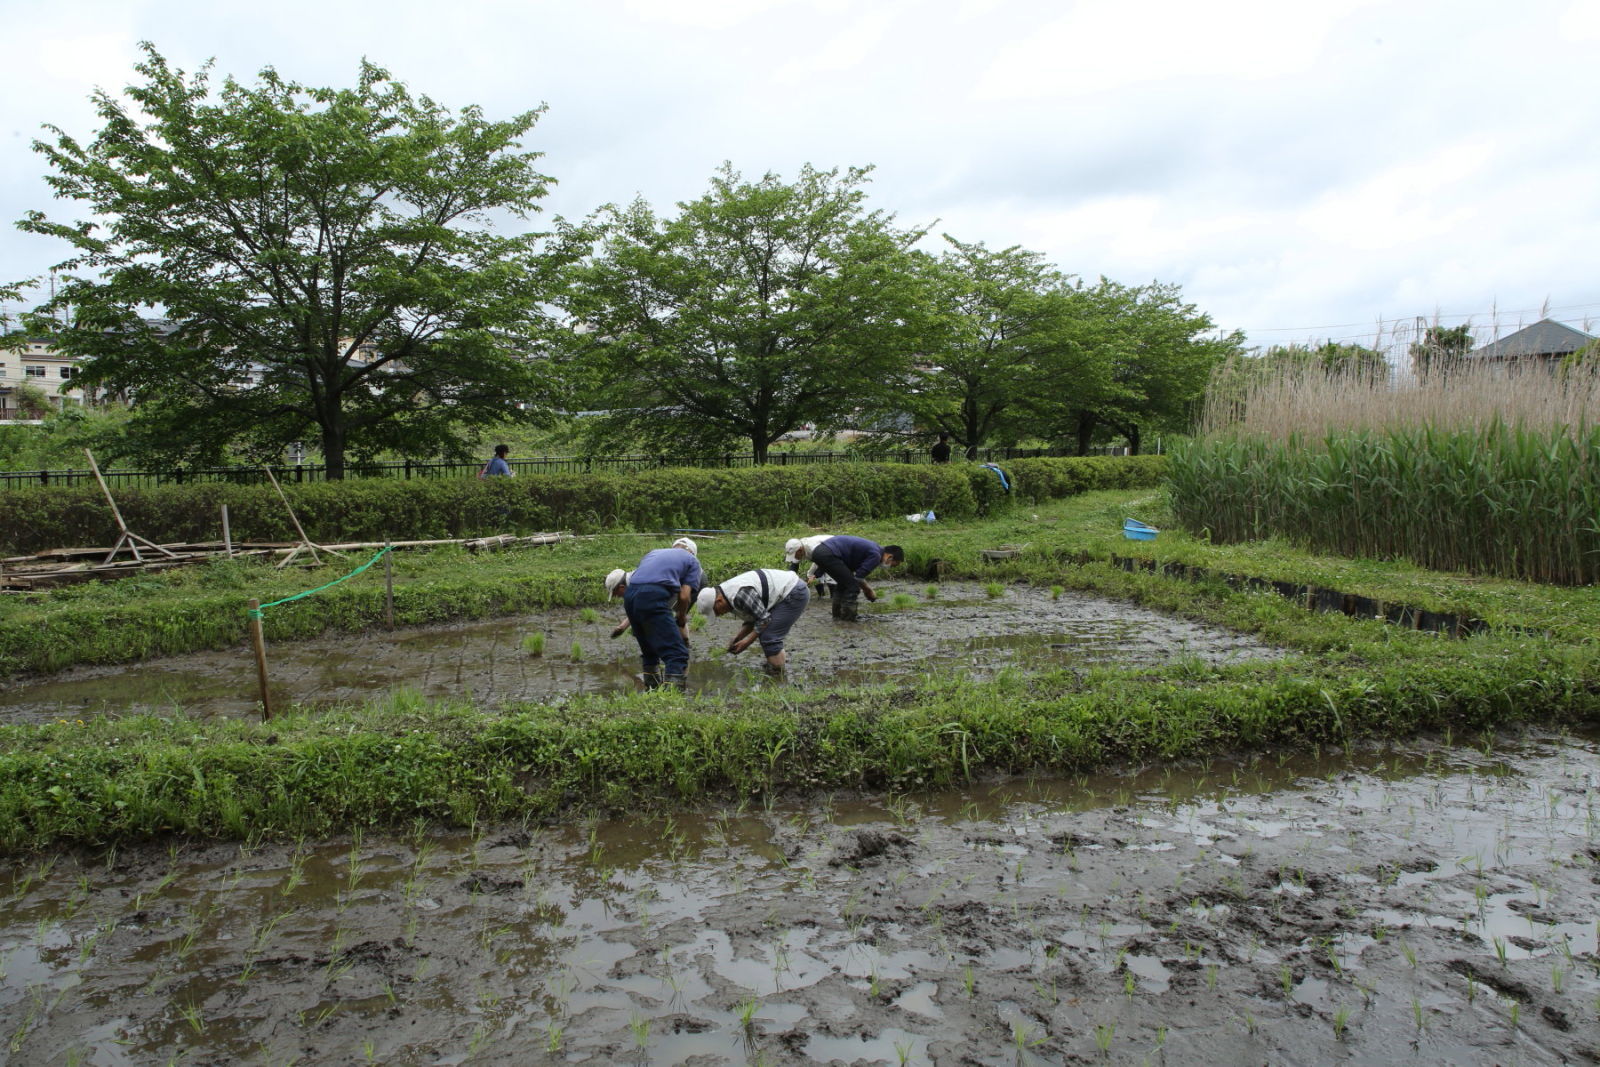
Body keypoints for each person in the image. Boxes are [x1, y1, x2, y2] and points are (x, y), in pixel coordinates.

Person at [620, 538, 703, 688]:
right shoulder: (692, 561)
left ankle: (652, 690)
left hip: (630, 597)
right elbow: (684, 596)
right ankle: (673, 698)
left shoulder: (654, 553)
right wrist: (682, 617)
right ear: (693, 553)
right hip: (653, 595)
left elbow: (640, 580)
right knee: (677, 654)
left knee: (650, 652)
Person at [695, 567, 810, 674]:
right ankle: (775, 665)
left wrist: (746, 642)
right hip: (784, 592)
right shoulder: (726, 594)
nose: (719, 615)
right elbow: (754, 616)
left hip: (793, 592)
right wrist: (737, 638)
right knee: (764, 633)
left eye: (716, 611)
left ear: (719, 600)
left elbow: (764, 619)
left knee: (769, 636)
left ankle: (778, 673)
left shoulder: (739, 594)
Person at [785, 535, 903, 622]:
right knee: (852, 586)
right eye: (894, 564)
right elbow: (858, 577)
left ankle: (837, 617)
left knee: (843, 584)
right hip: (828, 552)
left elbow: (852, 574)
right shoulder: (876, 555)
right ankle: (848, 619)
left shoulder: (873, 550)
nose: (891, 567)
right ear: (889, 557)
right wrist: (868, 590)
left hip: (823, 551)